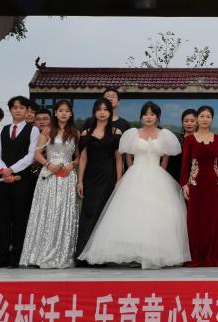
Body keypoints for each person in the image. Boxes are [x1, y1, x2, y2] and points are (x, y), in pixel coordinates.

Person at [79, 101, 188, 269]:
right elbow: (127, 154)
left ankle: (155, 253)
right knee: (133, 213)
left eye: (152, 114)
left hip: (157, 175)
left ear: (157, 116)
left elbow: (166, 156)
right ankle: (134, 254)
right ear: (141, 116)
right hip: (135, 173)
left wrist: (160, 170)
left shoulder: (165, 134)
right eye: (145, 114)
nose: (148, 117)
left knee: (156, 214)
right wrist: (131, 169)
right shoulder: (132, 133)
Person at [20, 100, 80, 269]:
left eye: (66, 111)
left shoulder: (75, 132)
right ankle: (38, 254)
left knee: (63, 213)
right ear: (55, 113)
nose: (63, 113)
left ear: (71, 113)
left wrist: (72, 165)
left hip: (67, 176)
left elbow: (79, 156)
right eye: (60, 110)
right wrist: (48, 164)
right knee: (46, 212)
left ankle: (62, 254)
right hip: (49, 175)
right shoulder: (47, 130)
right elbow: (37, 154)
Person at [0, 96, 40, 268]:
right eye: (15, 107)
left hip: (22, 180)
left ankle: (16, 256)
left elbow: (31, 155)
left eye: (22, 107)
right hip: (3, 180)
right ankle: (2, 256)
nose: (18, 110)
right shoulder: (3, 130)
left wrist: (12, 169)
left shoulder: (33, 130)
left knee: (19, 218)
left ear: (27, 111)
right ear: (10, 110)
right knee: (2, 218)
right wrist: (4, 170)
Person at [73, 98, 122, 266]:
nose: (102, 112)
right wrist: (80, 181)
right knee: (88, 213)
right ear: (94, 111)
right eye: (99, 109)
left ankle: (101, 257)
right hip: (90, 178)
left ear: (110, 112)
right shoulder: (86, 133)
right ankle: (83, 256)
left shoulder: (116, 132)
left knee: (104, 214)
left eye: (105, 109)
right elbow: (83, 159)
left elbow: (119, 159)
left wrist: (119, 180)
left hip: (108, 177)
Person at [180, 105, 218, 267]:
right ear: (197, 119)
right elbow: (185, 164)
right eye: (202, 116)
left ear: (212, 119)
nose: (205, 119)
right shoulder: (189, 140)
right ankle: (196, 256)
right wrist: (184, 184)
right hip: (195, 184)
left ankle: (214, 256)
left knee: (214, 220)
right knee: (195, 220)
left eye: (208, 117)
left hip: (214, 185)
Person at [167, 108, 198, 183]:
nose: (189, 124)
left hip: (194, 179)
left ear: (197, 122)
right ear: (182, 123)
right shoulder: (176, 139)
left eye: (192, 121)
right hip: (174, 177)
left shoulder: (201, 140)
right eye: (186, 121)